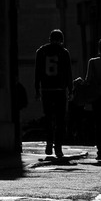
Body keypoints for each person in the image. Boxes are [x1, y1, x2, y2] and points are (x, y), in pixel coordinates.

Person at [35, 29, 73, 158]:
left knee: (48, 118)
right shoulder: (64, 52)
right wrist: (71, 90)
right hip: (59, 89)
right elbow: (68, 73)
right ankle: (58, 147)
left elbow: (37, 72)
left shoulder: (41, 52)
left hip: (46, 89)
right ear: (61, 40)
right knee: (60, 119)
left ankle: (49, 141)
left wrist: (37, 89)